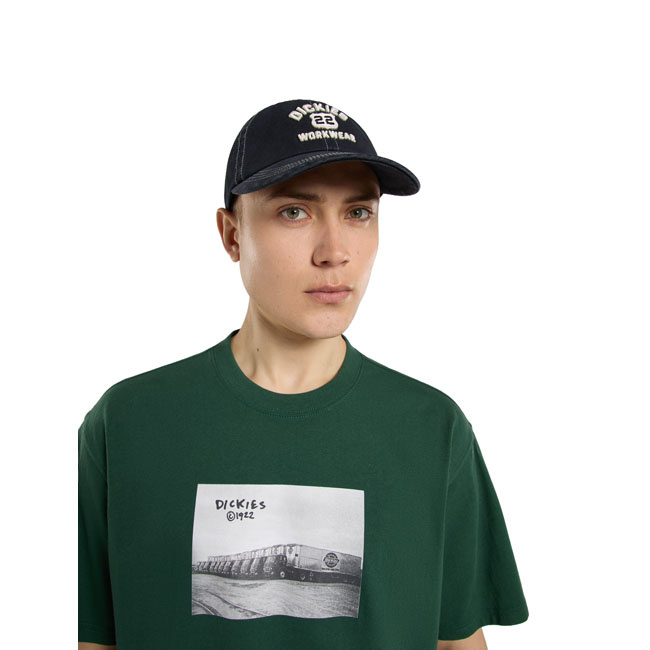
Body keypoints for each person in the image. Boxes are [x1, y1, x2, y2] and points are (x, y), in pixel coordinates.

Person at [78, 98, 529, 650]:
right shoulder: (128, 422)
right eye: (295, 212)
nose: (335, 252)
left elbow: (457, 639)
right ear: (232, 235)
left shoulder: (432, 427)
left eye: (358, 213)